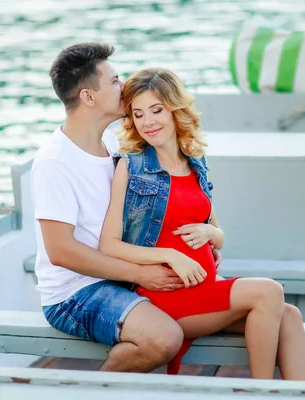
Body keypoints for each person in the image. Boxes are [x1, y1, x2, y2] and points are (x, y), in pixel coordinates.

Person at [99, 68, 305, 380]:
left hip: (206, 290)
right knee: (269, 292)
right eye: (138, 114)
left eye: (156, 110)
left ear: (175, 109)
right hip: (169, 297)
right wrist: (171, 255)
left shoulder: (196, 162)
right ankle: (263, 391)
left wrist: (210, 232)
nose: (148, 122)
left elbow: (219, 235)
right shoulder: (132, 167)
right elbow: (108, 245)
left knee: (289, 315)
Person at [31, 43, 216, 373]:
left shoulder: (115, 145)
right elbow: (60, 251)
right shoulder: (55, 162)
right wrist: (143, 274)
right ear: (89, 97)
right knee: (163, 337)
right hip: (74, 293)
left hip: (118, 275)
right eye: (115, 80)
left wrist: (201, 241)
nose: (124, 85)